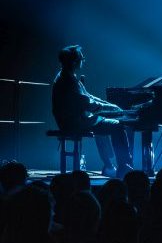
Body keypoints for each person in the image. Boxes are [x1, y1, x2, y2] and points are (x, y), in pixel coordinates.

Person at [51, 45, 133, 178]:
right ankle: (123, 167)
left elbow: (89, 97)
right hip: (74, 122)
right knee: (117, 126)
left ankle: (109, 165)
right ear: (74, 61)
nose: (83, 59)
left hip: (74, 119)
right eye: (81, 58)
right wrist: (111, 108)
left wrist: (110, 105)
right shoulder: (67, 80)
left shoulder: (67, 76)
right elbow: (89, 104)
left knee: (102, 120)